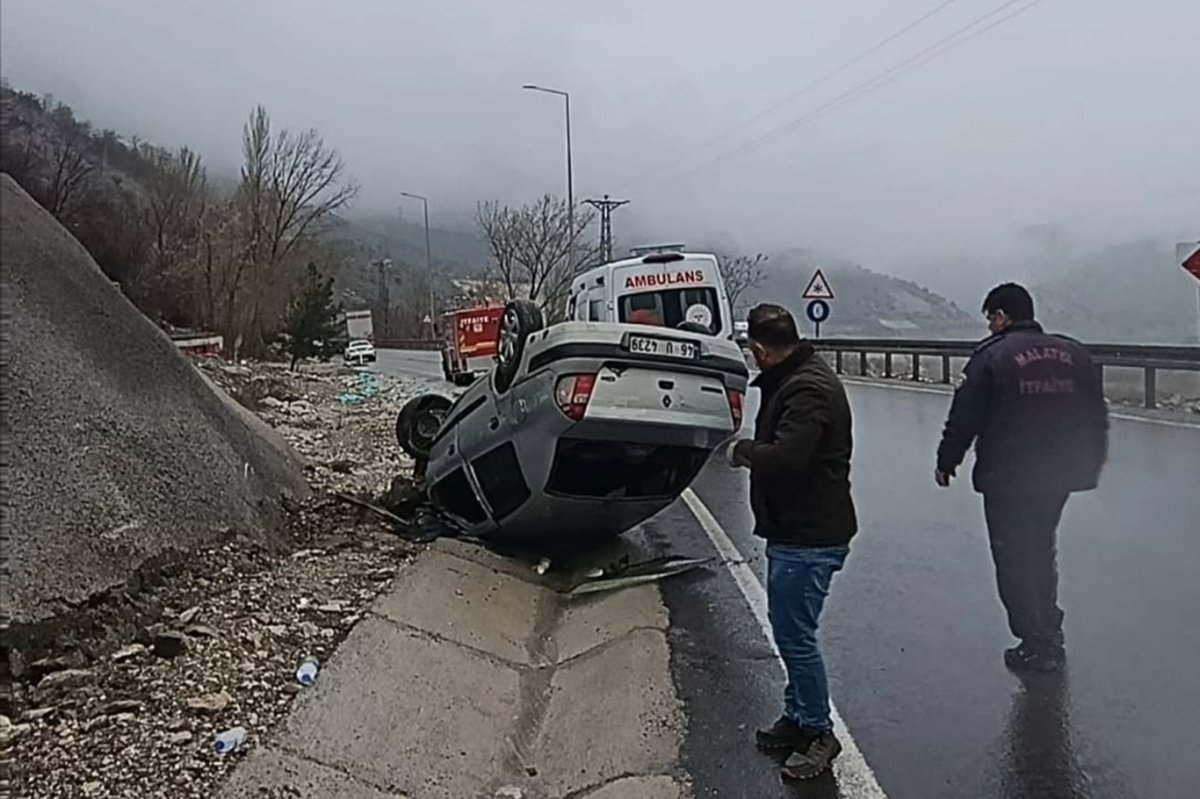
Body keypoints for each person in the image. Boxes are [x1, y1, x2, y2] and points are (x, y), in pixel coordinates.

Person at [936, 283, 1108, 673]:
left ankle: (1035, 642)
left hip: (1008, 477)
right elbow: (1095, 415)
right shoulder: (1073, 353)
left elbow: (964, 417)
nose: (989, 326)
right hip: (1059, 474)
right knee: (1041, 549)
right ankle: (1048, 627)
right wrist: (1092, 462)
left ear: (1002, 316)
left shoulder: (991, 356)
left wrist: (947, 461)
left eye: (990, 318)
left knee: (1014, 557)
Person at [725, 303, 857, 780]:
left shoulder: (807, 389)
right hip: (796, 529)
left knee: (796, 637)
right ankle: (797, 716)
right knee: (788, 629)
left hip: (810, 535)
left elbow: (787, 459)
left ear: (761, 350)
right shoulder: (796, 379)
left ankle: (819, 731)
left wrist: (742, 450)